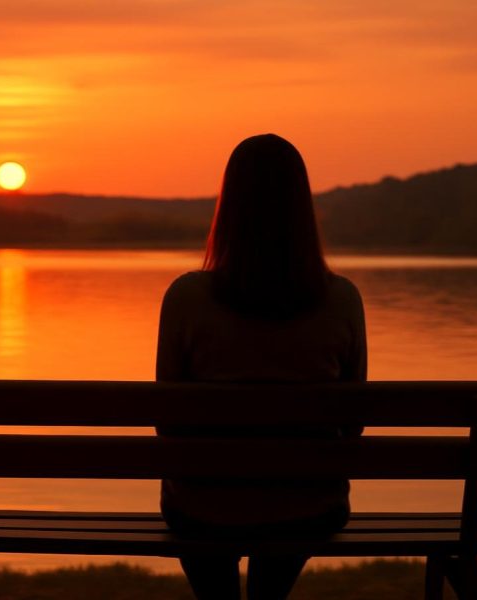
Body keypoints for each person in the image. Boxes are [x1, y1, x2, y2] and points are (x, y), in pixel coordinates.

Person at [155, 133, 367, 600]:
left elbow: (167, 421)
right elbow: (352, 426)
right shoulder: (342, 299)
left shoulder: (186, 298)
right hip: (309, 507)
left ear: (228, 206)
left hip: (203, 508)